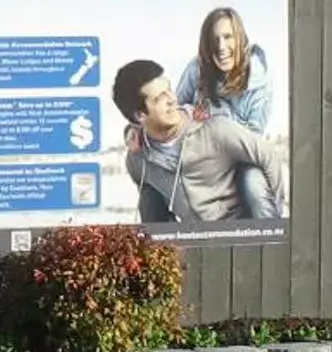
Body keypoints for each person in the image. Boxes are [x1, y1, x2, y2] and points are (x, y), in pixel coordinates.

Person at [112, 58, 288, 227]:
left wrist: (275, 221)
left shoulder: (215, 128)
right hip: (195, 242)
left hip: (241, 236)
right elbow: (149, 199)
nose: (172, 100)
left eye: (169, 89)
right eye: (159, 99)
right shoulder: (137, 158)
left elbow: (269, 156)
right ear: (140, 115)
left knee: (253, 176)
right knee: (148, 197)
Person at [172, 7, 279, 218]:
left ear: (239, 38)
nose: (221, 47)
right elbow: (173, 112)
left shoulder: (259, 80)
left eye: (228, 37)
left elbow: (253, 139)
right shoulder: (197, 69)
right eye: (214, 40)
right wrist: (134, 130)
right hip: (199, 159)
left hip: (242, 158)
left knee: (254, 185)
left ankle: (270, 239)